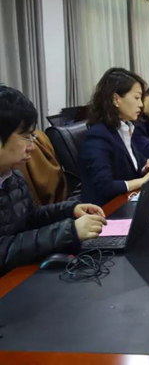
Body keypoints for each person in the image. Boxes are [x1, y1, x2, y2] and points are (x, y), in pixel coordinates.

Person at [0, 86, 107, 275]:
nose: (32, 147)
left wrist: (70, 210)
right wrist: (69, 231)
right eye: (26, 137)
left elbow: (30, 217)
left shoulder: (12, 174)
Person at [79, 68, 149, 207]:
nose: (141, 104)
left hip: (126, 203)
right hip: (106, 211)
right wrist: (144, 181)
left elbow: (130, 167)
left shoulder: (124, 128)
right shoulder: (97, 136)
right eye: (136, 98)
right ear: (116, 99)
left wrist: (146, 168)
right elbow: (104, 186)